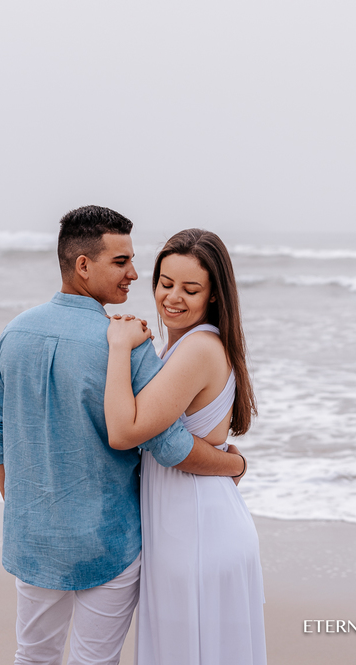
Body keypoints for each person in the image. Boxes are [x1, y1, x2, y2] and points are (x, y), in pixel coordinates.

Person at [0, 206, 247, 665]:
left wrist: (23, 506)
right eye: (121, 261)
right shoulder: (123, 344)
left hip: (32, 536)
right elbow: (167, 445)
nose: (133, 274)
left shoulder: (14, 333)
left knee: (33, 656)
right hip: (108, 542)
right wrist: (233, 463)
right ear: (83, 265)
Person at [104, 228, 266, 665]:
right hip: (191, 522)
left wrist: (119, 348)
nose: (173, 297)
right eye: (165, 283)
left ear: (214, 295)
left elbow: (124, 431)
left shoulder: (198, 348)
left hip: (196, 532)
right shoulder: (183, 346)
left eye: (191, 289)